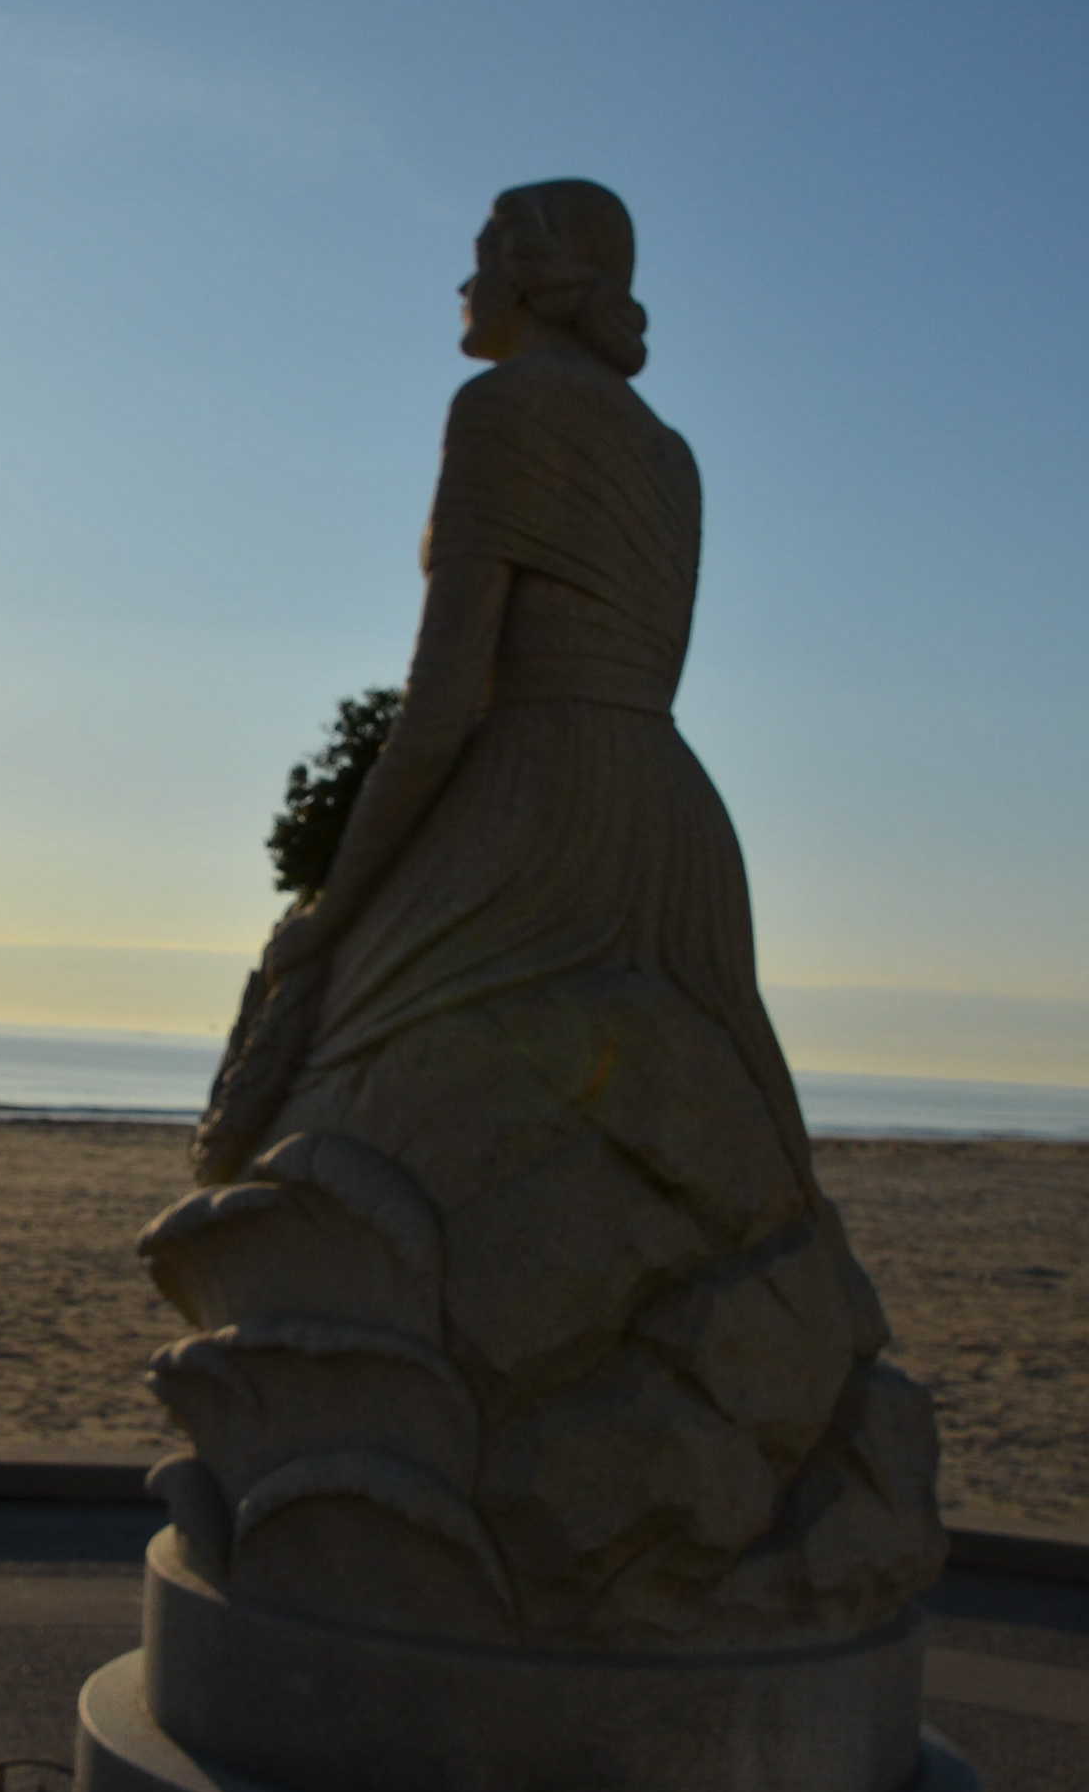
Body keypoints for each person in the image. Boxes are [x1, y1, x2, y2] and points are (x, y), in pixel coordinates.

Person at [195, 178, 884, 1357]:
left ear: (533, 270)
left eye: (477, 253)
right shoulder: (671, 454)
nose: (461, 284)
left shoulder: (501, 408)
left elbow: (445, 696)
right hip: (667, 810)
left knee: (340, 1075)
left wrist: (335, 909)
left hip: (537, 801)